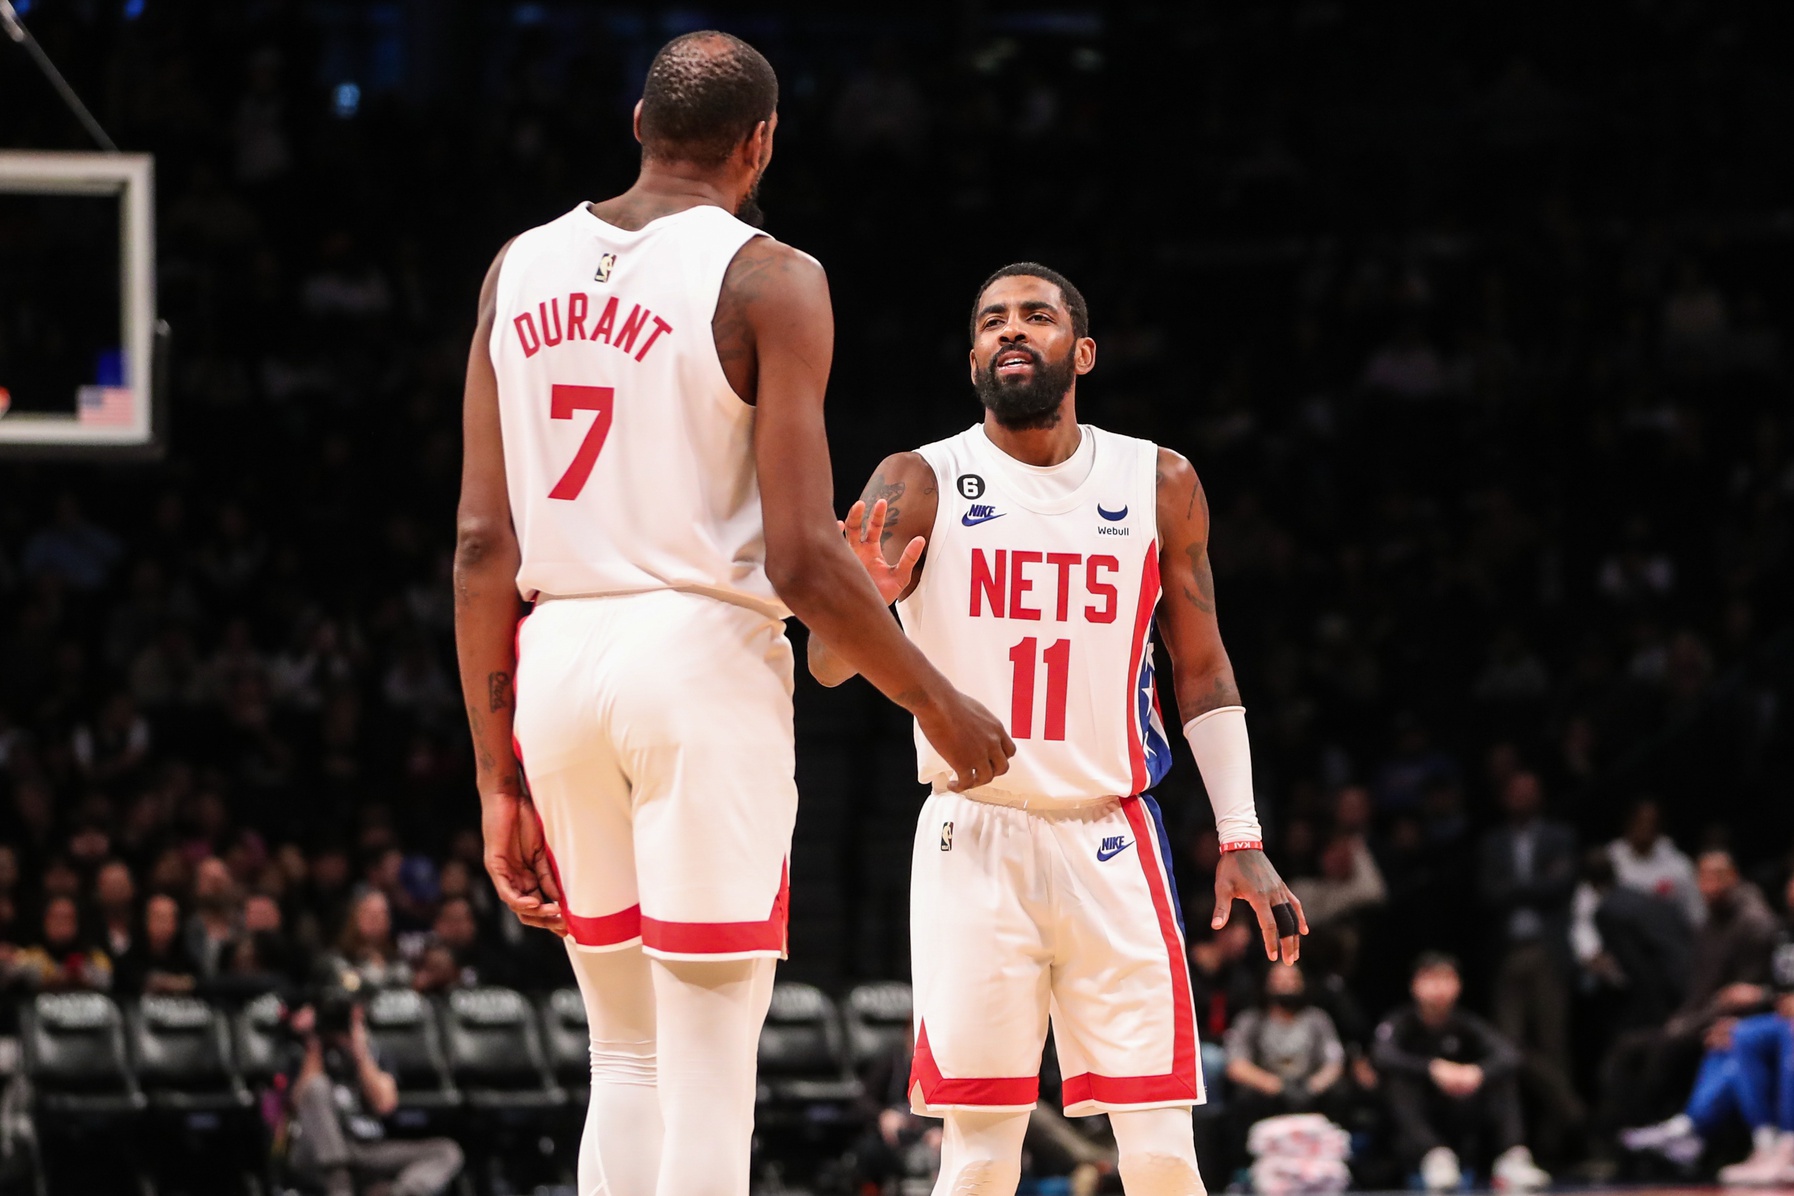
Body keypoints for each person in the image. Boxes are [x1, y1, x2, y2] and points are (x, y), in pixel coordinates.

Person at [451, 31, 1014, 1196]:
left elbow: (478, 545)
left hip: (555, 660)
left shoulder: (516, 266)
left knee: (623, 1050)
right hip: (696, 656)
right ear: (760, 143)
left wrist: (496, 774)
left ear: (638, 122)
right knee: (709, 1064)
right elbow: (804, 557)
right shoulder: (770, 277)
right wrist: (940, 702)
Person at [807, 262, 1307, 1194]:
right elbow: (827, 667)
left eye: (1036, 316)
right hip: (974, 835)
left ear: (1082, 352)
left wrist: (1241, 836)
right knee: (978, 1154)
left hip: (1111, 836)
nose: (1011, 330)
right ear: (972, 359)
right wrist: (864, 605)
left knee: (1163, 1150)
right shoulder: (919, 479)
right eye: (991, 320)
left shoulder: (1159, 480)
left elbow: (1203, 669)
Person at [1621, 936, 1794, 1184]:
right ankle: (1763, 1144)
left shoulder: (1758, 925)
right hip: (1777, 1015)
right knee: (1736, 1034)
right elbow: (1781, 994)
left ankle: (1789, 1145)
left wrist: (1763, 997)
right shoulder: (1783, 932)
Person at [1370, 953, 1548, 1192]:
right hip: (1418, 1121)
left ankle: (1512, 1157)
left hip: (1462, 1110)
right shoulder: (1400, 1022)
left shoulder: (1466, 1024)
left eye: (1446, 979)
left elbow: (1509, 1054)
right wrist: (1432, 1068)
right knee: (1398, 1080)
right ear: (1415, 985)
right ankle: (1434, 1156)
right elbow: (1382, 1055)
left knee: (1501, 1076)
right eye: (1431, 979)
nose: (1439, 988)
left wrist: (1477, 1072)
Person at [286, 989, 463, 1196]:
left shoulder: (374, 1052)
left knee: (446, 1152)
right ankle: (340, 1188)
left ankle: (395, 1193)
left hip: (365, 1148)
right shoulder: (302, 1052)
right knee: (317, 1087)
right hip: (315, 1150)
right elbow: (298, 1102)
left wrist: (360, 1052)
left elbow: (385, 1104)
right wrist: (314, 1043)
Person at [1224, 964, 1347, 1139]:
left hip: (1308, 1086)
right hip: (1268, 1088)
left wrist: (1312, 1087)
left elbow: (1334, 1062)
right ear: (1267, 984)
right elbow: (1236, 1066)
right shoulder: (1251, 1020)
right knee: (1244, 1099)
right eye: (1280, 980)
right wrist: (1276, 1086)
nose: (1287, 985)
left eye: (1292, 980)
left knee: (1340, 1093)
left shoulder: (1317, 1019)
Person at [1608, 797, 1702, 928]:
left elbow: (1695, 912)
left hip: (1665, 934)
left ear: (1659, 826)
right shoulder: (1610, 860)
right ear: (1629, 823)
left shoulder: (1678, 864)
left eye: (1652, 823)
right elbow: (1590, 906)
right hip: (1620, 932)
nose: (1646, 828)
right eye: (1640, 821)